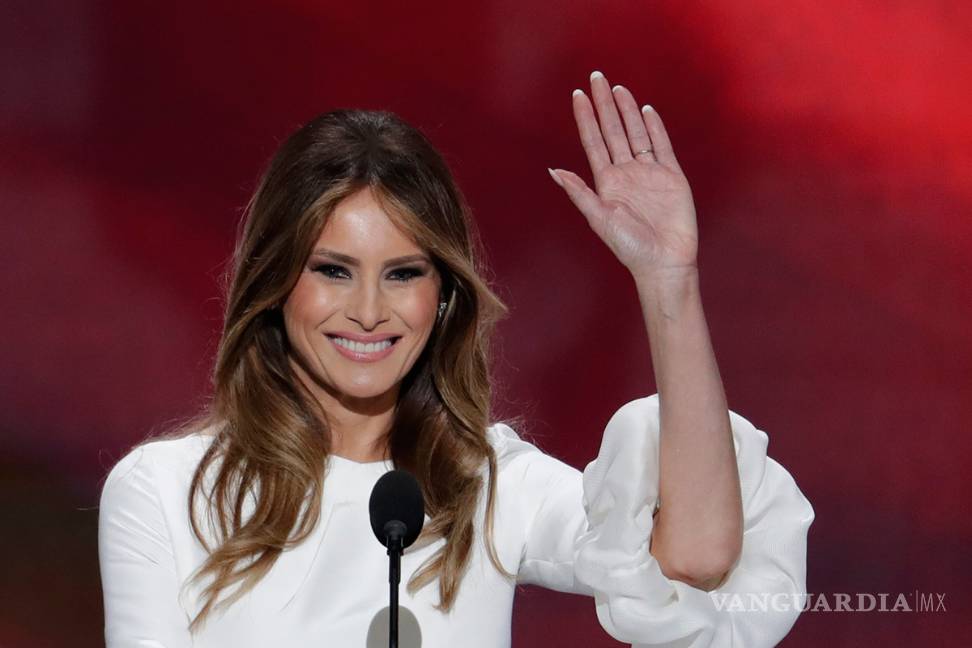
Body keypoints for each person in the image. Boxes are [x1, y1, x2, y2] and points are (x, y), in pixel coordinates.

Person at [98, 71, 813, 647]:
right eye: (334, 270)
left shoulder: (487, 485)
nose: (369, 311)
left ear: (443, 296)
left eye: (403, 273)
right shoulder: (165, 492)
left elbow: (694, 559)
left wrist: (668, 284)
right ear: (277, 280)